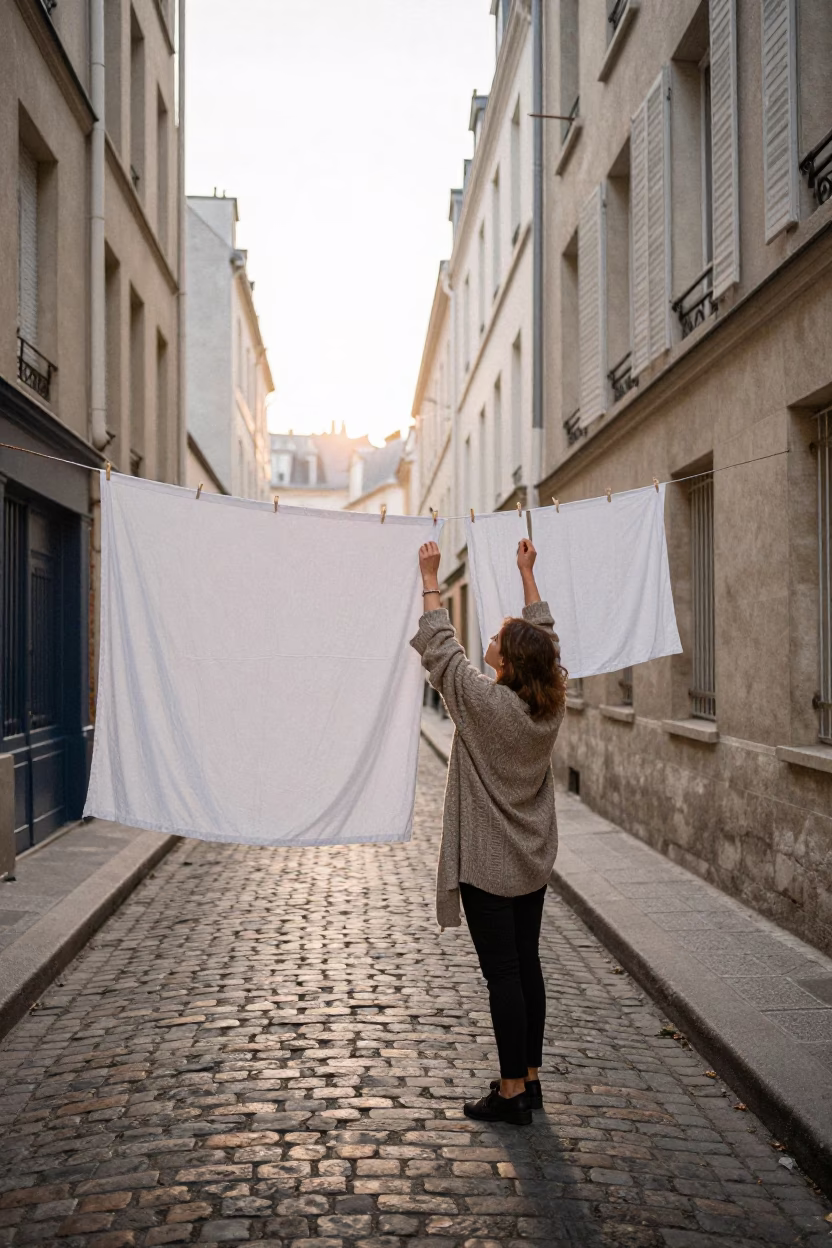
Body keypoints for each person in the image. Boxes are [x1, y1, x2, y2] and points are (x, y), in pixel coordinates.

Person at [409, 537, 567, 1126]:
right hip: (531, 859)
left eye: (497, 641)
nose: (488, 644)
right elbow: (547, 641)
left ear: (504, 663)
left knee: (504, 976)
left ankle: (509, 1095)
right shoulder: (549, 706)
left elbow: (441, 653)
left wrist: (430, 577)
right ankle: (529, 1078)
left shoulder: (485, 705)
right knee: (527, 966)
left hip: (488, 865)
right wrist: (529, 575)